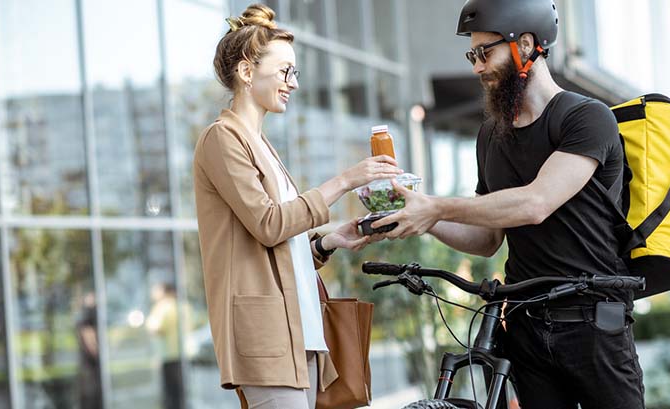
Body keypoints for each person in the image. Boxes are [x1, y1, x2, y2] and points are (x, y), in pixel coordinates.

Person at [372, 0, 644, 407]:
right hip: (525, 325)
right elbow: (485, 239)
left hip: (593, 324)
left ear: (527, 44)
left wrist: (437, 206)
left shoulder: (585, 118)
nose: (477, 66)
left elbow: (536, 203)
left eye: (486, 52)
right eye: (473, 54)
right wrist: (419, 215)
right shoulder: (490, 135)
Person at [193, 4, 400, 408]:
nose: (294, 83)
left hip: (298, 335)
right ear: (247, 72)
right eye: (285, 71)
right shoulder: (222, 139)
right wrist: (344, 180)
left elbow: (277, 248)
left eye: (295, 72)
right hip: (266, 341)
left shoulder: (262, 145)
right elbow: (269, 224)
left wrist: (326, 243)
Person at [145, 283, 186, 409]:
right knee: (181, 390)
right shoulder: (183, 306)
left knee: (170, 392)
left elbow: (155, 328)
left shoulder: (163, 307)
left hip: (168, 354)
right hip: (182, 353)